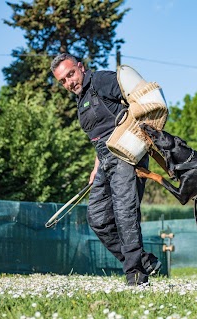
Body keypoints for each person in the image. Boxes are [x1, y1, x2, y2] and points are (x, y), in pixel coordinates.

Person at [51, 53, 161, 286]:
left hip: (125, 153)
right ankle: (143, 260)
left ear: (80, 67)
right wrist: (96, 166)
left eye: (71, 74)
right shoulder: (80, 100)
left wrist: (138, 137)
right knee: (98, 218)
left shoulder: (101, 80)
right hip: (104, 160)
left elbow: (139, 102)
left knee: (124, 213)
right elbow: (98, 135)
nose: (69, 82)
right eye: (63, 81)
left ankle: (136, 276)